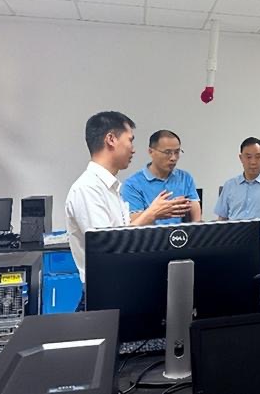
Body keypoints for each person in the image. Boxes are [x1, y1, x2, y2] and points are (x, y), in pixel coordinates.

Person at [65, 112, 192, 309]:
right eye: (130, 140)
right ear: (111, 139)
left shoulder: (111, 188)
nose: (133, 149)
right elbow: (109, 249)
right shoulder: (88, 189)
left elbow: (126, 230)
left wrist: (153, 214)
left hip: (122, 287)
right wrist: (151, 214)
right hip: (105, 292)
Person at [214, 137, 260, 282]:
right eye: (248, 157)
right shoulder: (230, 186)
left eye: (258, 157)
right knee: (234, 287)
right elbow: (222, 219)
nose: (253, 162)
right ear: (241, 158)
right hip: (234, 247)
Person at [122, 130, 201, 224]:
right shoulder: (132, 184)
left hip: (180, 233)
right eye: (167, 152)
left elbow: (196, 219)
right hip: (151, 233)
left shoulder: (185, 178)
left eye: (177, 152)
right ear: (151, 152)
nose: (173, 158)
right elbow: (135, 224)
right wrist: (157, 212)